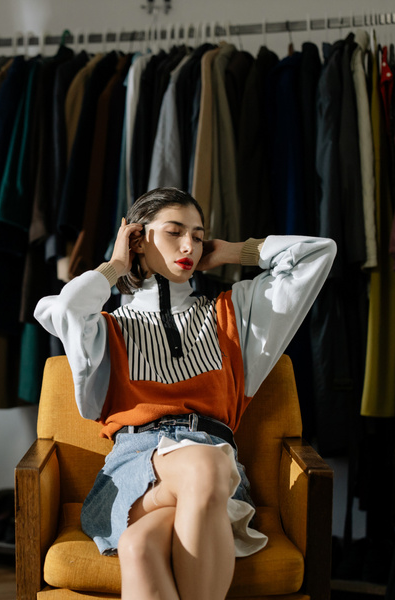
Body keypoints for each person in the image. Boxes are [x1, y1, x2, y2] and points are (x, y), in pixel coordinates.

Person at [34, 187, 336, 600]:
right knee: (205, 465)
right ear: (137, 240)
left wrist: (234, 252)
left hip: (212, 473)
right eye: (174, 232)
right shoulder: (107, 328)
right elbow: (67, 308)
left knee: (140, 546)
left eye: (198, 236)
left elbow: (318, 253)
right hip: (132, 473)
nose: (189, 246)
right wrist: (116, 265)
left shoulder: (233, 314)